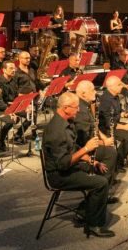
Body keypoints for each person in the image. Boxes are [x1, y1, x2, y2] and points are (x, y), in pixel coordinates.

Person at [42, 92, 115, 238]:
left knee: (100, 169)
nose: (79, 110)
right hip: (59, 175)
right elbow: (63, 164)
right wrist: (86, 149)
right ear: (66, 108)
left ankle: (86, 210)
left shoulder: (65, 122)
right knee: (100, 183)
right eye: (76, 107)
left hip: (68, 167)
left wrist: (91, 160)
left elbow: (72, 148)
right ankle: (94, 224)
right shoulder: (57, 131)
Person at [74, 80, 118, 185]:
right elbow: (84, 140)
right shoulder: (81, 111)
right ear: (83, 93)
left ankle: (107, 178)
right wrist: (103, 143)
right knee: (111, 153)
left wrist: (104, 138)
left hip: (91, 141)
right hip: (82, 148)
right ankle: (101, 185)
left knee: (110, 145)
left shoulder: (85, 104)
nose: (95, 92)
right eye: (92, 90)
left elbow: (94, 126)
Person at [98, 76, 128, 169]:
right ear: (111, 87)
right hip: (107, 128)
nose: (121, 86)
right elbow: (108, 122)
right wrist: (125, 127)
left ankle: (119, 157)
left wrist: (124, 114)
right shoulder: (105, 100)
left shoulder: (115, 96)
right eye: (119, 85)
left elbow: (117, 113)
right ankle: (117, 162)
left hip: (114, 124)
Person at [0, 61, 28, 150]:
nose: (14, 70)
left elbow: (15, 97)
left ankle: (17, 135)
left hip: (11, 106)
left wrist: (25, 105)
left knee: (31, 114)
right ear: (4, 70)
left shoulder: (13, 80)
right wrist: (10, 111)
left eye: (14, 68)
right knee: (11, 120)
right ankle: (1, 140)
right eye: (11, 68)